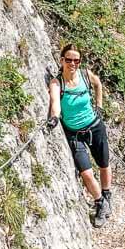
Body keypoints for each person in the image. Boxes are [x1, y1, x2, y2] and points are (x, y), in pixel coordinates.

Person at [46, 44, 113, 227]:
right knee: (86, 172)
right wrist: (53, 118)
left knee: (103, 164)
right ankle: (100, 202)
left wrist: (99, 105)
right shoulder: (56, 83)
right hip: (75, 134)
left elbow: (98, 83)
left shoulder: (85, 75)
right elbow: (55, 103)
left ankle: (107, 194)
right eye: (69, 60)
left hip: (95, 127)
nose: (73, 64)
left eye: (76, 60)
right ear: (62, 61)